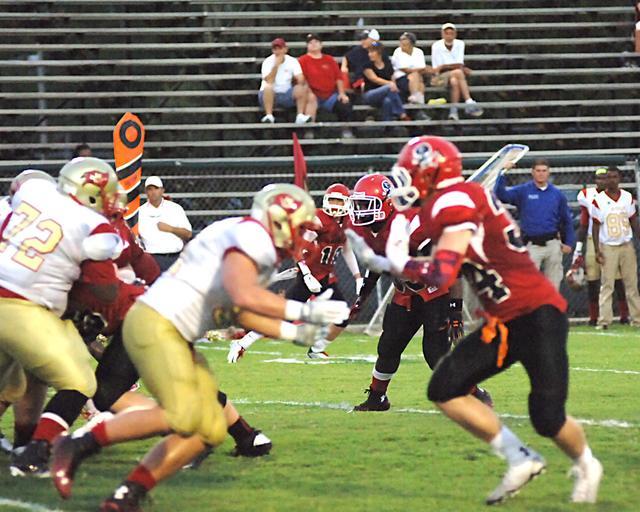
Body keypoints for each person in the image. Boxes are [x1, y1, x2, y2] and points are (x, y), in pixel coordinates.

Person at [50, 184, 350, 511]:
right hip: (160, 323)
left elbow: (237, 309)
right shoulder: (254, 239)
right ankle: (78, 444)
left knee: (209, 428)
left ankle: (127, 495)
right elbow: (243, 296)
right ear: (279, 222)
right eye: (302, 229)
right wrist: (303, 311)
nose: (306, 238)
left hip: (168, 326)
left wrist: (294, 333)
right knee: (184, 416)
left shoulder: (241, 234)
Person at [349, 135, 602, 505]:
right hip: (502, 322)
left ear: (431, 175)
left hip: (537, 314)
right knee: (443, 388)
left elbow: (442, 270)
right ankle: (520, 457)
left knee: (547, 417)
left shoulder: (455, 202)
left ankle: (587, 464)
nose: (406, 183)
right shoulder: (443, 204)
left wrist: (394, 262)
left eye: (412, 173)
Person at [0, 158, 124, 477]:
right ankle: (34, 455)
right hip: (21, 307)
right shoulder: (92, 225)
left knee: (8, 384)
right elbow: (106, 291)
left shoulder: (35, 192)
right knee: (79, 381)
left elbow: (19, 188)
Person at [346, 173, 491, 411]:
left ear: (386, 203)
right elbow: (375, 263)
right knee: (388, 346)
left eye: (366, 204)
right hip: (405, 294)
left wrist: (455, 312)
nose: (360, 211)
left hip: (435, 294)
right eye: (359, 205)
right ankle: (377, 397)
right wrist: (362, 298)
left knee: (435, 356)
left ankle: (476, 394)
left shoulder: (412, 227)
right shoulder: (367, 230)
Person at [229, 183, 362, 361]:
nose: (335, 205)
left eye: (339, 202)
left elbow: (346, 249)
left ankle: (317, 349)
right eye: (333, 201)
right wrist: (306, 274)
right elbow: (298, 249)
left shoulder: (346, 223)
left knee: (343, 314)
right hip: (311, 275)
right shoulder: (319, 221)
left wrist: (358, 277)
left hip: (325, 276)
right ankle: (242, 343)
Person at [494, 159, 575, 290]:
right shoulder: (523, 191)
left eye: (544, 171)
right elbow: (501, 195)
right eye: (538, 171)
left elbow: (566, 220)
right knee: (529, 284)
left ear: (548, 172)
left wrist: (569, 243)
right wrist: (503, 173)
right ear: (532, 172)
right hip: (532, 245)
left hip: (553, 244)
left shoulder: (557, 194)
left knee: (553, 285)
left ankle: (551, 304)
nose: (541, 174)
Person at [570, 168, 629, 325]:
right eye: (599, 178)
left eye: (604, 178)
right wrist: (578, 249)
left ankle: (624, 315)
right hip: (592, 239)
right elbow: (584, 223)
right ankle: (594, 317)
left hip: (612, 239)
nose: (602, 181)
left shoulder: (619, 195)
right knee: (593, 279)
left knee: (617, 279)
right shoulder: (587, 195)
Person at [591, 166, 640, 329]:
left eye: (614, 177)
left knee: (632, 284)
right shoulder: (598, 200)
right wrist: (597, 249)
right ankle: (604, 320)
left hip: (626, 244)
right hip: (609, 246)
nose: (611, 180)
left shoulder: (627, 197)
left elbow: (633, 220)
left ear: (619, 179)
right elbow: (595, 226)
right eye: (608, 177)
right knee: (607, 284)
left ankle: (637, 318)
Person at [298, 33, 354, 138]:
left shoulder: (329, 59)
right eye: (310, 43)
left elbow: (338, 78)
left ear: (321, 45)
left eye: (316, 42)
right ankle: (309, 131)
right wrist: (309, 93)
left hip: (330, 95)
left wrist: (342, 93)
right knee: (309, 100)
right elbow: (301, 79)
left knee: (345, 104)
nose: (313, 44)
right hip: (312, 95)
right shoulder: (302, 60)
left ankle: (345, 129)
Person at [138, 176, 192, 271]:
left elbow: (188, 234)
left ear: (162, 190)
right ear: (146, 192)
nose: (153, 192)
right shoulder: (140, 212)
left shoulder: (175, 208)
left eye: (156, 188)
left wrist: (171, 229)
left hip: (174, 258)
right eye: (150, 189)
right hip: (151, 259)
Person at [430, 23, 483, 120]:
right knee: (458, 72)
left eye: (451, 33)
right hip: (442, 76)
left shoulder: (460, 44)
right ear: (442, 34)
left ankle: (453, 111)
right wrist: (455, 67)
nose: (449, 35)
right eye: (446, 33)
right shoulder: (436, 45)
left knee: (454, 81)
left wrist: (446, 66)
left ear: (455, 34)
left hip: (454, 74)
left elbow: (458, 63)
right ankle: (469, 101)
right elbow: (438, 68)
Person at [259, 37, 310, 124]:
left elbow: (300, 78)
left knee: (301, 87)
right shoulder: (267, 61)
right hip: (269, 95)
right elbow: (269, 80)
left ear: (285, 49)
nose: (278, 51)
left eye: (280, 48)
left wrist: (298, 78)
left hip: (286, 94)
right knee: (268, 87)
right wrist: (276, 66)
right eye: (275, 49)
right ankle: (269, 115)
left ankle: (300, 116)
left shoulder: (292, 61)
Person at [362, 42, 410, 122]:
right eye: (369, 52)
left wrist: (392, 84)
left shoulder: (387, 63)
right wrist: (390, 84)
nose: (369, 54)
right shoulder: (367, 65)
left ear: (379, 53)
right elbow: (374, 79)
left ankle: (387, 124)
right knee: (389, 87)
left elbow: (392, 77)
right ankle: (402, 113)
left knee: (387, 101)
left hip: (386, 94)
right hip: (370, 94)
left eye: (372, 52)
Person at [392, 31, 432, 104]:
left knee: (420, 83)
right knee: (416, 77)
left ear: (411, 42)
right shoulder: (397, 51)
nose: (401, 42)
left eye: (404, 39)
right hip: (401, 78)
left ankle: (415, 101)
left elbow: (422, 68)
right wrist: (416, 71)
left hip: (415, 77)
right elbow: (404, 69)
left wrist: (415, 71)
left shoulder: (419, 52)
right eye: (400, 40)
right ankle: (416, 99)